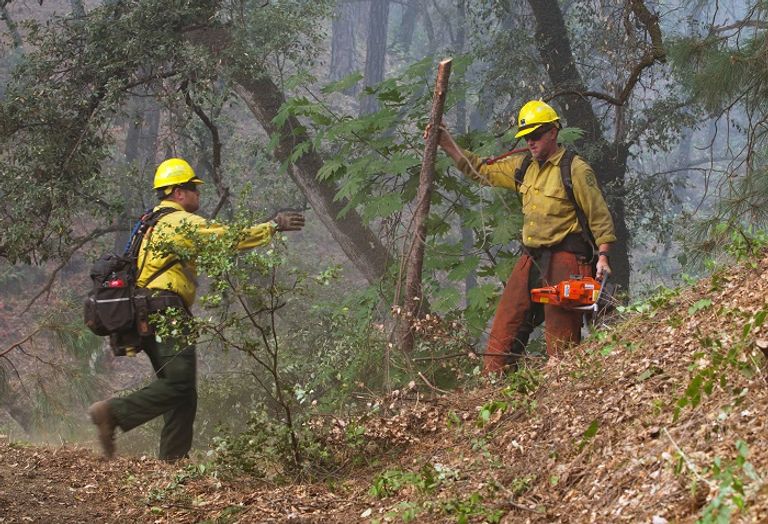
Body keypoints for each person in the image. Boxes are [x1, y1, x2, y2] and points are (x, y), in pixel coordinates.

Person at [87, 158, 305, 461]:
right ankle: (112, 413)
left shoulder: (148, 222)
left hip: (143, 314)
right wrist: (272, 226)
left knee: (183, 392)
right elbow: (227, 238)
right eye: (193, 189)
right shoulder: (177, 221)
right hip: (165, 313)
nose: (198, 195)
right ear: (177, 192)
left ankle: (173, 463)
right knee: (178, 385)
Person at [429, 100, 616, 374]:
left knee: (561, 348)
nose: (531, 141)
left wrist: (602, 257)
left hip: (567, 262)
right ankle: (496, 393)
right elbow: (480, 169)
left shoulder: (575, 169)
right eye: (526, 137)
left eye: (536, 134)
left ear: (553, 131)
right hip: (531, 259)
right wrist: (445, 142)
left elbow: (599, 215)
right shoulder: (522, 167)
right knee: (503, 335)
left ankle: (560, 397)